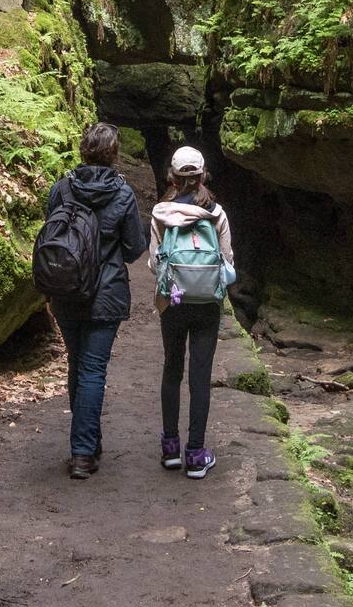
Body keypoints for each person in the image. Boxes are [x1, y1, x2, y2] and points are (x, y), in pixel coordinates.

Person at [44, 122, 148, 480]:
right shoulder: (123, 194)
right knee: (92, 369)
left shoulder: (63, 188)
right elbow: (135, 248)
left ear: (83, 150)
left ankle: (87, 442)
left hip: (68, 290)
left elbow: (52, 234)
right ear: (114, 154)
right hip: (105, 293)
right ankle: (84, 453)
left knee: (78, 364)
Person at [148, 145, 236, 481]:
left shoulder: (160, 212)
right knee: (200, 375)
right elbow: (227, 261)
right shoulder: (217, 213)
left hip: (173, 300)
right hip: (207, 304)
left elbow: (155, 262)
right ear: (202, 176)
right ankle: (196, 454)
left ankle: (170, 448)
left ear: (171, 176)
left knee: (172, 368)